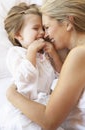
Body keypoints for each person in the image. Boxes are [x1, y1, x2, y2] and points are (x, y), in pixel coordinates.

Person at [5, 0, 85, 130]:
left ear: (68, 22)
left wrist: (11, 95)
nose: (45, 35)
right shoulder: (76, 55)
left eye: (46, 27)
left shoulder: (79, 54)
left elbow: (49, 121)